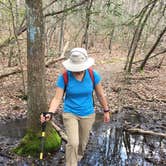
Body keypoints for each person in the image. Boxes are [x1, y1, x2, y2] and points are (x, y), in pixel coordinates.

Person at [40, 47, 110, 166]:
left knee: (82, 144)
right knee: (73, 143)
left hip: (88, 114)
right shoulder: (64, 77)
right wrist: (50, 112)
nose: (77, 71)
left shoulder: (93, 75)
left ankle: (76, 158)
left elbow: (100, 94)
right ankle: (71, 163)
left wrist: (106, 110)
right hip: (70, 113)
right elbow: (57, 98)